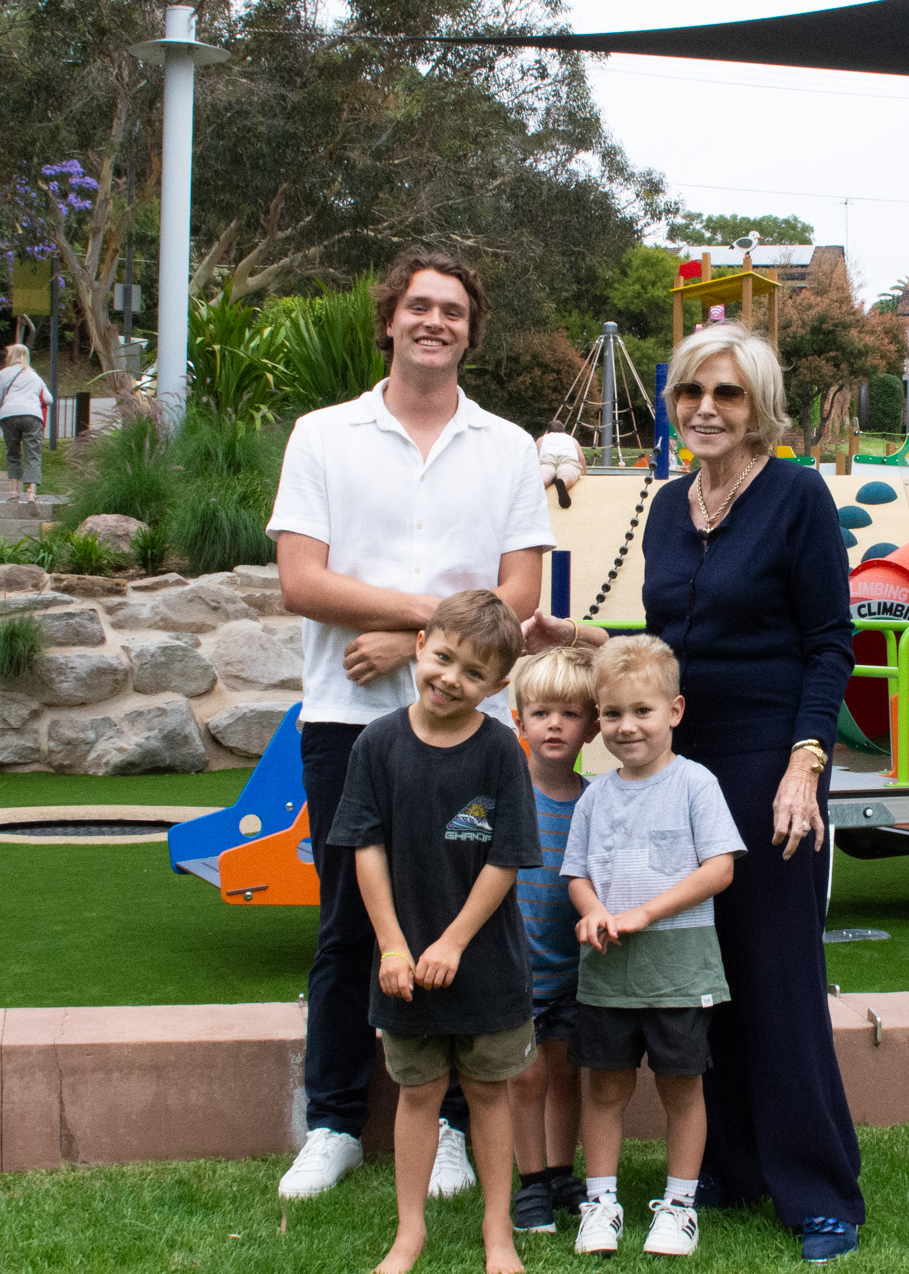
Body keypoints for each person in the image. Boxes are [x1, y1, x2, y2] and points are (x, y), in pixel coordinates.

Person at [523, 323, 864, 1264]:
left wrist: (806, 765)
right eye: (690, 394)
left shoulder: (796, 496)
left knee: (776, 973)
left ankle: (818, 1189)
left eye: (728, 395)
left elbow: (830, 642)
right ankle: (735, 1163)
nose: (705, 410)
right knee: (700, 978)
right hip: (673, 764)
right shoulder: (671, 508)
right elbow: (670, 643)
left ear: (759, 407)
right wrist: (577, 638)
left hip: (766, 762)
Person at [269, 245, 553, 1206]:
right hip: (351, 721)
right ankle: (335, 1123)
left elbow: (519, 596)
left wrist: (409, 638)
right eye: (420, 307)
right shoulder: (322, 435)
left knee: (475, 924)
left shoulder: (510, 447)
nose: (436, 322)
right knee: (350, 925)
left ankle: (459, 1133)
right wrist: (420, 622)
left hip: (478, 731)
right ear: (390, 319)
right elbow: (301, 581)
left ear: (471, 330)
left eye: (455, 311)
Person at [327, 589, 544, 1274]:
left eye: (474, 673)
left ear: (498, 684)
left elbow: (507, 856)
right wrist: (393, 944)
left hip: (487, 964)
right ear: (420, 645)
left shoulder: (502, 751)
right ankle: (408, 1235)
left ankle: (497, 1234)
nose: (452, 678)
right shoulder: (376, 743)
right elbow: (365, 848)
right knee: (418, 1094)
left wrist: (453, 942)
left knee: (487, 1093)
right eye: (444, 658)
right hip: (402, 967)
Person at [562, 636, 745, 1259]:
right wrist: (593, 914)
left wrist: (645, 911)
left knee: (681, 1089)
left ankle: (679, 1205)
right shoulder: (593, 795)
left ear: (675, 710)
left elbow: (719, 868)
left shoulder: (696, 784)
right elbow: (578, 875)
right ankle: (602, 1203)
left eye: (642, 710)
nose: (626, 726)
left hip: (680, 970)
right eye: (612, 714)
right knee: (605, 1089)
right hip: (608, 972)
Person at [506, 646, 597, 1235]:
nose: (555, 725)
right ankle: (531, 1182)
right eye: (541, 713)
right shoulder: (504, 793)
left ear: (592, 723)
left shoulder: (598, 799)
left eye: (569, 713)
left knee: (566, 1072)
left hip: (576, 969)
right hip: (516, 968)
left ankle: (564, 1172)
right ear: (519, 722)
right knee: (525, 1076)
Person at [0, 342, 53, 503]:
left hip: (9, 416)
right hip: (32, 416)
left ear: (11, 356)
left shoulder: (4, 373)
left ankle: (13, 491)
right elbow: (48, 399)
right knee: (33, 454)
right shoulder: (34, 375)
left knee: (13, 453)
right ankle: (31, 493)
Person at [538, 421, 586, 509]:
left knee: (545, 472)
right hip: (567, 458)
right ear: (564, 432)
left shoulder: (542, 439)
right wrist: (584, 473)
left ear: (547, 432)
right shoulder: (571, 439)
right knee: (567, 471)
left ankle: (542, 482)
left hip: (548, 457)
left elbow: (534, 457)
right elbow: (581, 459)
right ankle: (564, 482)